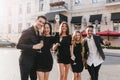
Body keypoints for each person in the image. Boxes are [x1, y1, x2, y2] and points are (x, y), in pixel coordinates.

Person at [17, 16, 47, 80]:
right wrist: (33, 47)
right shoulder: (27, 31)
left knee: (34, 78)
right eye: (40, 21)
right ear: (36, 20)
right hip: (25, 60)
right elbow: (18, 45)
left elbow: (40, 44)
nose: (41, 24)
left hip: (34, 60)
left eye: (43, 23)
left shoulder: (38, 32)